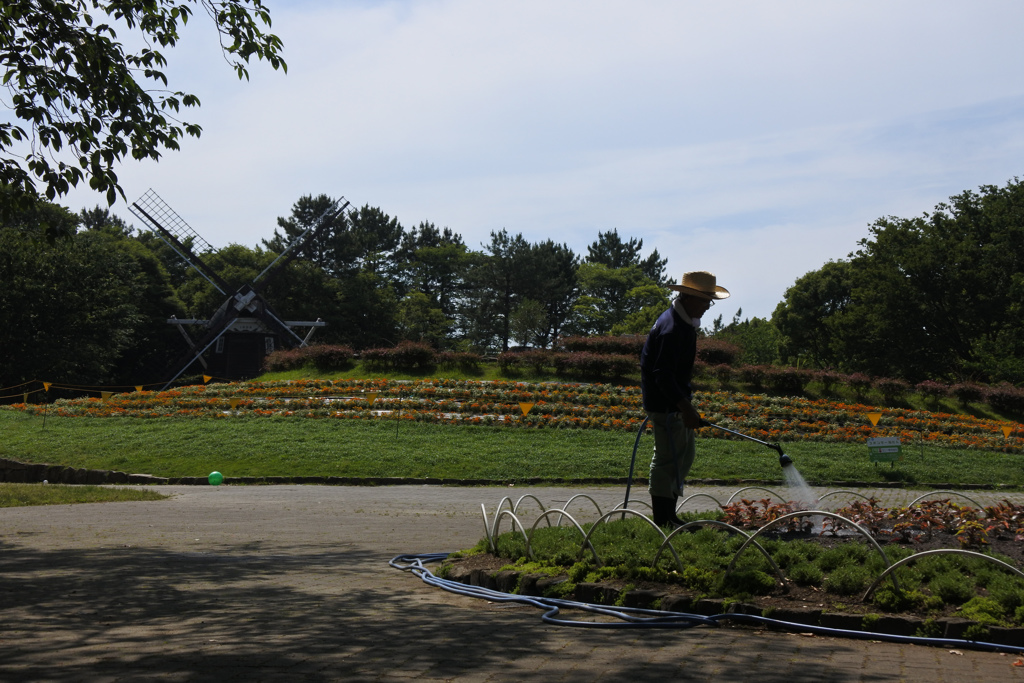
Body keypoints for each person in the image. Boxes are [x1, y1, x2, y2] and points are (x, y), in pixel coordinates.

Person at [639, 271, 730, 527]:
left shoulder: (683, 323)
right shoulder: (672, 329)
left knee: (681, 456)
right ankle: (663, 519)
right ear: (688, 297)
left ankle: (670, 515)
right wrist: (685, 408)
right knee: (667, 460)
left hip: (673, 402)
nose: (707, 307)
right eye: (704, 301)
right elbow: (662, 376)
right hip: (666, 404)